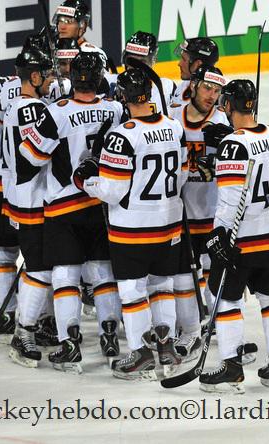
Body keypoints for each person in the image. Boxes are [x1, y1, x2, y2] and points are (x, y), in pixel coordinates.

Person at [74, 68, 187, 379]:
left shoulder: (122, 135)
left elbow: (112, 191)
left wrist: (86, 181)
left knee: (132, 290)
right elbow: (184, 174)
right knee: (162, 286)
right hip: (168, 224)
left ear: (123, 97)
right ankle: (166, 347)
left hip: (132, 230)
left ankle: (140, 353)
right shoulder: (175, 128)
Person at [19, 52, 122, 373]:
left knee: (65, 274)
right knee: (102, 272)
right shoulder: (115, 109)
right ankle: (109, 336)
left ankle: (70, 343)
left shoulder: (56, 112)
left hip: (63, 206)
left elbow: (31, 157)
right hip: (101, 205)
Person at [199, 80, 269, 394]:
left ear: (229, 105)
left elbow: (230, 197)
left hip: (240, 237)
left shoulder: (232, 145)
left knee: (226, 299)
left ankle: (232, 366)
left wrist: (217, 235)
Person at [0, 47, 56, 366]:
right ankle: (24, 332)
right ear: (34, 77)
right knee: (39, 268)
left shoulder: (13, 106)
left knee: (40, 265)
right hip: (35, 199)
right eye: (46, 75)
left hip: (20, 198)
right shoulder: (36, 109)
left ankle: (39, 322)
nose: (50, 80)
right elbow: (38, 155)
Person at [170, 65, 228, 361]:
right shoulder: (172, 118)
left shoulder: (221, 121)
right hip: (180, 215)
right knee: (182, 276)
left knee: (211, 273)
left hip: (212, 213)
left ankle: (215, 323)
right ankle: (190, 328)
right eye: (207, 88)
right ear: (193, 85)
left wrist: (231, 139)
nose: (212, 95)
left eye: (217, 91)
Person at [171, 38, 219, 107]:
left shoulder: (218, 97)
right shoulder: (182, 87)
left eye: (184, 59)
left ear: (198, 64)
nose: (179, 64)